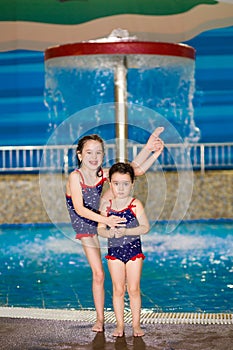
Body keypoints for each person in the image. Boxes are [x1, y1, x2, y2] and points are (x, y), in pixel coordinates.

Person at [65, 128, 164, 332]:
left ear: (103, 155)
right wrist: (107, 219)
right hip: (85, 222)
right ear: (80, 155)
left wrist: (148, 149)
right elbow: (80, 208)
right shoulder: (75, 177)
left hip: (103, 213)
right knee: (99, 274)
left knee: (122, 176)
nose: (94, 157)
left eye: (99, 153)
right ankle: (100, 319)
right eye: (89, 152)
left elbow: (134, 170)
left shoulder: (102, 173)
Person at [98, 162, 150, 337]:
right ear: (110, 183)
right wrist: (109, 233)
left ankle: (136, 325)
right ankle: (120, 325)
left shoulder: (135, 204)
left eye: (125, 184)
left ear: (132, 184)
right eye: (116, 183)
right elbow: (99, 229)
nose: (121, 188)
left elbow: (145, 227)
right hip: (115, 253)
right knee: (118, 289)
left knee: (133, 289)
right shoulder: (106, 206)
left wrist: (127, 231)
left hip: (134, 251)